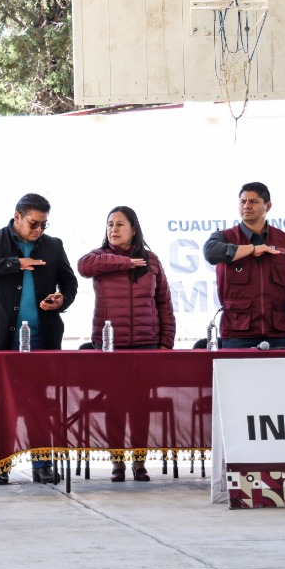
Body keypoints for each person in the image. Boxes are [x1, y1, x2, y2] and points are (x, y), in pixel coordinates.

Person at [0, 193, 78, 484]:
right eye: (33, 223)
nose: (39, 230)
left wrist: (61, 299)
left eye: (44, 224)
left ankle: (42, 465)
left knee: (40, 403)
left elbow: (70, 283)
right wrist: (15, 264)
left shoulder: (54, 246)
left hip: (41, 338)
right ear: (17, 216)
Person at [79, 205, 175, 482]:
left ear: (134, 229)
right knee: (115, 407)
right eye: (110, 224)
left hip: (146, 346)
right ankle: (117, 462)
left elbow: (164, 304)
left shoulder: (152, 261)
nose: (114, 229)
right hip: (111, 347)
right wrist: (125, 263)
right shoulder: (99, 258)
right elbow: (84, 267)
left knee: (140, 407)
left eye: (120, 224)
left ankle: (139, 462)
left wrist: (165, 343)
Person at [203, 183, 285, 350]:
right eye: (242, 201)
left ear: (268, 206)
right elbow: (210, 253)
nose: (246, 206)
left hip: (278, 333)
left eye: (253, 201)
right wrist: (252, 249)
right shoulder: (225, 237)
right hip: (237, 334)